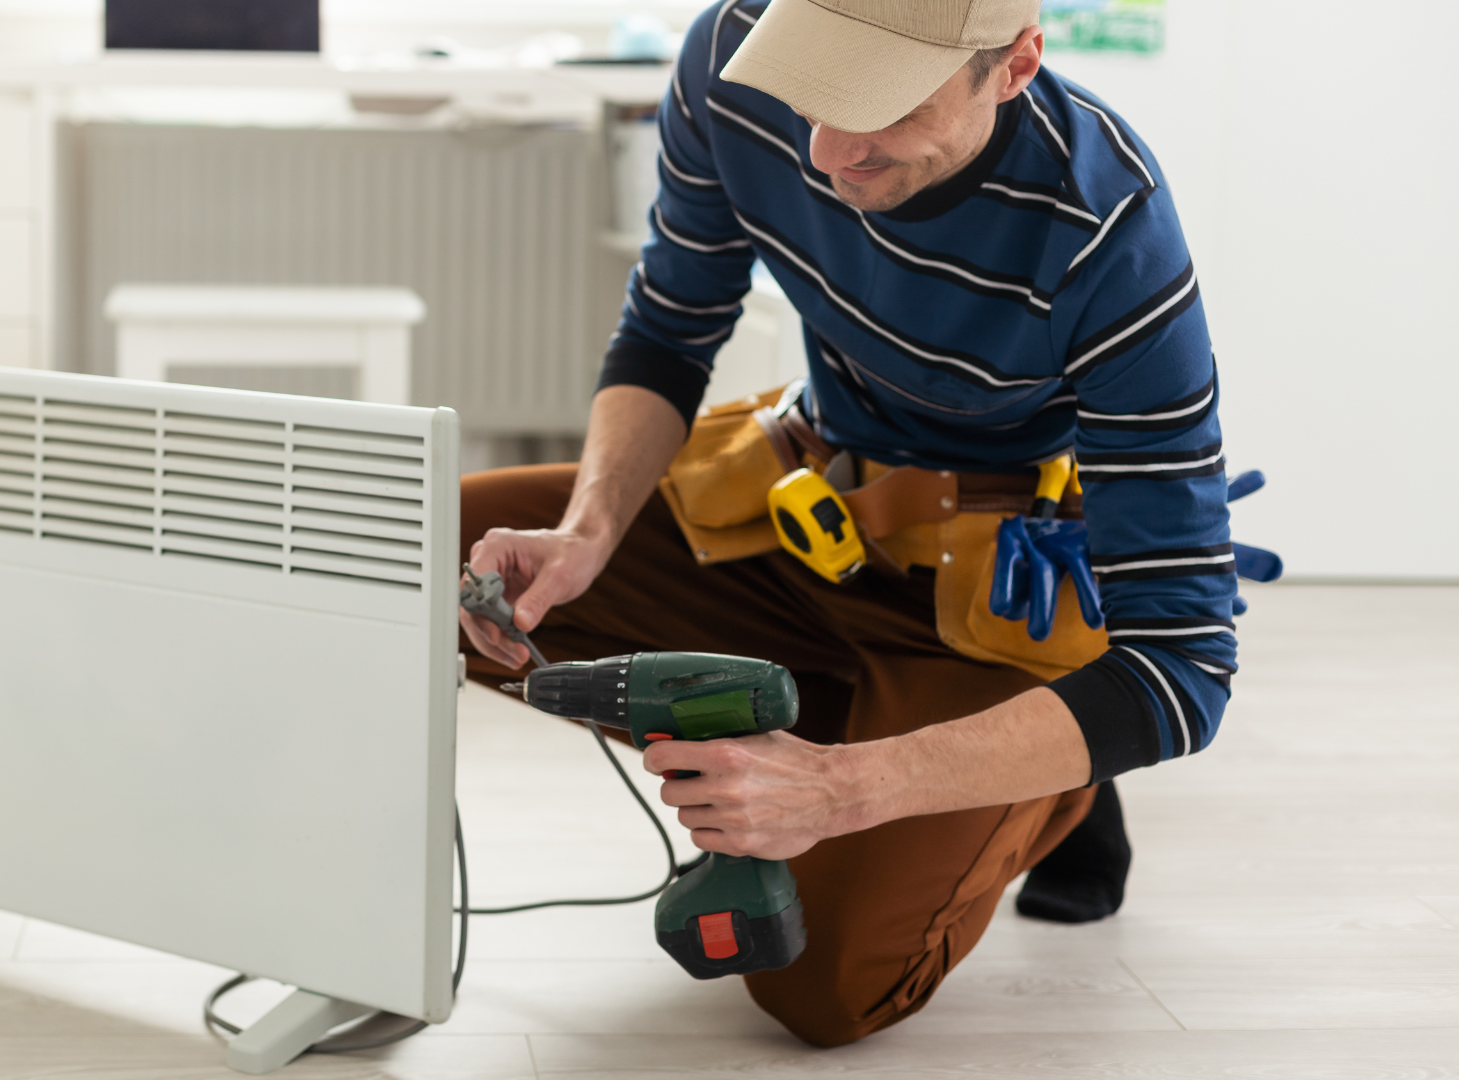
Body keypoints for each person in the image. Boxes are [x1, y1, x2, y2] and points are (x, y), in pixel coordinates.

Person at [459, 0, 1235, 1048]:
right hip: (798, 516)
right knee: (418, 549)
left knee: (819, 992)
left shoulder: (1106, 225)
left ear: (1013, 66)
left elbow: (1183, 670)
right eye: (812, 84)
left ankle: (1052, 778)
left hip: (981, 600)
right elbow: (669, 326)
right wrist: (589, 533)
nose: (825, 151)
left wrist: (841, 791)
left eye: (881, 102)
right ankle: (847, 726)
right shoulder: (731, 52)